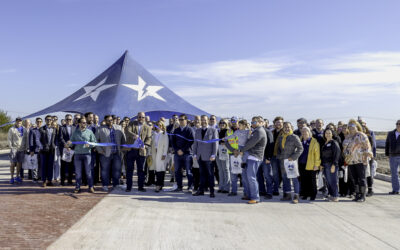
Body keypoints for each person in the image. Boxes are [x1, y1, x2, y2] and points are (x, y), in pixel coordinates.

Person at [226, 116, 267, 204]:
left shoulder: (259, 131)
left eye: (255, 122)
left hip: (254, 157)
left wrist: (241, 151)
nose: (253, 124)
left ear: (260, 122)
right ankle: (248, 194)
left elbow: (250, 144)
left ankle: (255, 197)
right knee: (245, 177)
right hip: (248, 156)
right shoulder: (254, 131)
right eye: (252, 122)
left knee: (251, 177)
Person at [342, 119, 373, 202]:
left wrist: (367, 154)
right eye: (350, 126)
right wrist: (345, 154)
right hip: (351, 161)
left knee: (362, 178)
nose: (351, 128)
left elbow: (367, 146)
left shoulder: (361, 135)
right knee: (355, 179)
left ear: (356, 127)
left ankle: (363, 195)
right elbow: (344, 148)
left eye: (353, 126)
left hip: (361, 160)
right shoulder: (348, 137)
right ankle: (357, 194)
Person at [96, 115, 126, 191]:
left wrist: (123, 149)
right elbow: (96, 141)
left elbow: (123, 139)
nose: (110, 122)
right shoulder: (100, 129)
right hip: (105, 154)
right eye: (108, 120)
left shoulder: (118, 128)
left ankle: (116, 184)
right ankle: (105, 185)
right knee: (104, 170)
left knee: (117, 170)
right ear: (105, 121)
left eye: (111, 120)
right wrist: (100, 150)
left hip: (116, 153)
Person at [124, 112, 152, 192]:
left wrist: (145, 145)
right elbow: (127, 131)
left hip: (141, 151)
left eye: (142, 117)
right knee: (129, 169)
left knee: (141, 170)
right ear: (137, 117)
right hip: (131, 150)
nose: (141, 119)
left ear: (144, 118)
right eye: (139, 117)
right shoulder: (132, 123)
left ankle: (141, 187)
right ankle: (128, 187)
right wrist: (134, 135)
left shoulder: (147, 127)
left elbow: (149, 138)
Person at [277, 122, 303, 204]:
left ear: (291, 127)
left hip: (292, 161)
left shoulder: (294, 137)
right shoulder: (281, 138)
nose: (286, 128)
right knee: (285, 178)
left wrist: (293, 157)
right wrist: (279, 156)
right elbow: (279, 149)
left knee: (294, 179)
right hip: (283, 162)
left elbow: (300, 148)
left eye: (288, 127)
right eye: (285, 127)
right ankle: (287, 195)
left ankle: (296, 195)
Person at [68, 117, 97, 193]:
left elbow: (94, 142)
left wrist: (90, 145)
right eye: (83, 122)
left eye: (85, 123)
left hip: (87, 154)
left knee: (88, 172)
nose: (85, 124)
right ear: (79, 123)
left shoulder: (90, 132)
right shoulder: (75, 132)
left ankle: (91, 186)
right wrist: (68, 144)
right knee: (78, 173)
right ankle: (77, 187)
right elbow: (71, 142)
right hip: (77, 155)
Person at [192, 115, 218, 197]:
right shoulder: (198, 130)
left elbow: (215, 143)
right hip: (200, 156)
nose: (203, 122)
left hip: (209, 156)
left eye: (205, 120)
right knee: (202, 174)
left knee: (210, 174)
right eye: (202, 120)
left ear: (208, 121)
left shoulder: (213, 130)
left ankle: (212, 191)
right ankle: (201, 190)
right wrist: (195, 154)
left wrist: (214, 154)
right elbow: (195, 143)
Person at [171, 114, 194, 192]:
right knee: (177, 171)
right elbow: (173, 142)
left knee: (188, 171)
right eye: (179, 119)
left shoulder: (189, 130)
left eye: (182, 119)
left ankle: (190, 186)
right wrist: (177, 150)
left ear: (186, 120)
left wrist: (183, 150)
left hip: (187, 153)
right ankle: (179, 186)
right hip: (177, 154)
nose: (180, 121)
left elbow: (191, 141)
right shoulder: (176, 130)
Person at [298, 127, 320, 200]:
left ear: (309, 133)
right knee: (304, 180)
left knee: (312, 180)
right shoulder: (300, 141)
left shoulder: (314, 142)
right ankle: (305, 194)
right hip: (301, 164)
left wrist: (317, 165)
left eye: (306, 131)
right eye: (303, 132)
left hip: (311, 164)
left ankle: (313, 194)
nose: (304, 133)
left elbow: (317, 154)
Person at [321, 128, 341, 202]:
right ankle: (332, 195)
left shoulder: (334, 143)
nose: (328, 134)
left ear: (332, 134)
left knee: (333, 181)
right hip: (325, 165)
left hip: (331, 165)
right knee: (328, 181)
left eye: (329, 133)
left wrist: (334, 165)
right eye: (326, 133)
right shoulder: (325, 143)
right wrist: (321, 165)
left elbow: (337, 154)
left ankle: (335, 196)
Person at [150, 121, 169, 192]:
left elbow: (166, 145)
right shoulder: (154, 134)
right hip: (154, 153)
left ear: (162, 126)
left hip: (161, 153)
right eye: (157, 125)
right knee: (156, 168)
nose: (158, 126)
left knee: (160, 169)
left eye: (160, 125)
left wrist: (164, 154)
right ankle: (160, 184)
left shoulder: (164, 134)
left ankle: (158, 184)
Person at [39, 115, 57, 187]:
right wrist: (41, 147)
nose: (49, 121)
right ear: (45, 120)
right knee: (44, 166)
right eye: (47, 119)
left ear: (52, 121)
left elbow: (56, 139)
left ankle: (49, 180)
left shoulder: (54, 129)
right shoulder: (41, 129)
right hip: (44, 150)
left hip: (51, 150)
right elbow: (38, 139)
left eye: (50, 120)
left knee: (50, 165)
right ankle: (43, 181)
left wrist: (55, 146)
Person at [8, 118, 25, 184]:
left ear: (21, 122)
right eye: (17, 122)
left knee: (19, 163)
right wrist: (11, 147)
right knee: (12, 163)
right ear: (15, 122)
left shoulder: (24, 129)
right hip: (14, 148)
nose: (19, 123)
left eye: (20, 122)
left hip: (21, 149)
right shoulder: (11, 129)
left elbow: (25, 139)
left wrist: (26, 147)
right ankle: (12, 177)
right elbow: (9, 139)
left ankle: (17, 176)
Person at [59, 114, 75, 186]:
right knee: (63, 165)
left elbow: (75, 138)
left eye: (70, 119)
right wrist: (65, 145)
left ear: (72, 120)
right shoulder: (61, 128)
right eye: (67, 119)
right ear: (65, 120)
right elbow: (60, 137)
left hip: (72, 149)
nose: (68, 121)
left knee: (71, 165)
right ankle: (62, 181)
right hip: (64, 149)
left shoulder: (75, 128)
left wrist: (70, 146)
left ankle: (70, 180)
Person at [361, 122, 377, 197]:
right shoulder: (358, 137)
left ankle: (370, 189)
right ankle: (362, 190)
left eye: (364, 127)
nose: (362, 129)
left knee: (368, 173)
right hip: (360, 158)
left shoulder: (369, 137)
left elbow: (371, 147)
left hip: (368, 158)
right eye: (361, 127)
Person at [385, 119, 400, 195]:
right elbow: (387, 144)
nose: (398, 125)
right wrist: (387, 154)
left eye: (399, 124)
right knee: (394, 174)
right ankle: (396, 190)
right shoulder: (390, 134)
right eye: (397, 124)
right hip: (393, 156)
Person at [216, 119, 230, 193]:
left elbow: (231, 141)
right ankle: (221, 186)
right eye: (221, 123)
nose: (222, 124)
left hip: (225, 152)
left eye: (224, 122)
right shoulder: (218, 131)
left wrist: (226, 143)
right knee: (220, 170)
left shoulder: (228, 131)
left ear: (227, 123)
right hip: (218, 152)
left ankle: (226, 187)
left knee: (226, 169)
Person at [271, 116, 284, 196]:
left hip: (282, 156)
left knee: (283, 174)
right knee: (275, 173)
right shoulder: (272, 132)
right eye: (277, 122)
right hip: (273, 155)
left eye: (280, 122)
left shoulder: (285, 132)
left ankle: (286, 191)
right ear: (274, 124)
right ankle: (276, 189)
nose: (278, 124)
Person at [29, 117, 43, 182]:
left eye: (40, 122)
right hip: (35, 150)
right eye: (37, 121)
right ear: (36, 122)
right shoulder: (32, 130)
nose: (39, 123)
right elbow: (31, 141)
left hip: (43, 150)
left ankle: (40, 176)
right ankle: (34, 177)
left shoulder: (43, 129)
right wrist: (31, 150)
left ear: (42, 122)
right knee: (34, 164)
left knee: (41, 164)